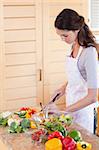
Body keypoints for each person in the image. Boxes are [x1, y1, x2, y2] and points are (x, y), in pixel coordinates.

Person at [46, 9, 99, 133]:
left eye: (65, 35)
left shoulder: (89, 53)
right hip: (71, 109)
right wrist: (62, 89)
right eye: (60, 35)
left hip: (85, 114)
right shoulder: (74, 46)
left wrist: (63, 111)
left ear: (77, 30)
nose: (62, 39)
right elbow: (79, 76)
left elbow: (92, 97)